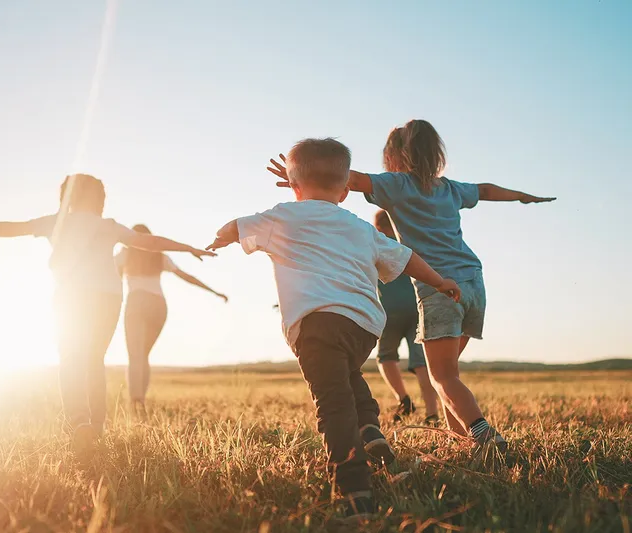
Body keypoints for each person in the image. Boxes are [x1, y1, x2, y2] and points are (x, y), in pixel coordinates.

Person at [268, 120, 554, 455]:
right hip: (474, 284)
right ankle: (461, 443)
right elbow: (487, 190)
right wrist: (521, 196)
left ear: (394, 156)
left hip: (440, 288)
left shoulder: (397, 184)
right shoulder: (449, 188)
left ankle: (484, 435)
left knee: (442, 377)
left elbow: (348, 179)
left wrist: (301, 176)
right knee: (448, 374)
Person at [210, 138, 461, 519]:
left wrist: (220, 238)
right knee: (346, 376)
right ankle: (370, 428)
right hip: (363, 327)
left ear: (294, 187)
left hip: (316, 324)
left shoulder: (282, 216)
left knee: (333, 404)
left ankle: (355, 491)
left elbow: (235, 227)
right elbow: (406, 258)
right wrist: (440, 281)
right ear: (344, 192)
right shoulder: (360, 227)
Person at [0, 173, 214, 457]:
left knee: (71, 358)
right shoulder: (108, 226)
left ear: (67, 197)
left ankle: (80, 422)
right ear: (100, 200)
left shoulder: (57, 222)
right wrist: (187, 248)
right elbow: (148, 242)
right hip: (109, 297)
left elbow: (10, 228)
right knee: (95, 360)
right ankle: (97, 428)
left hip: (72, 296)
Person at [116, 224, 228, 417]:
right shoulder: (160, 256)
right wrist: (214, 292)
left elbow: (110, 276)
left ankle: (136, 403)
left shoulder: (125, 254)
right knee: (143, 356)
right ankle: (140, 402)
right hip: (158, 305)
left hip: (137, 302)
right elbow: (187, 277)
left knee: (135, 356)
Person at [372, 209, 439, 426]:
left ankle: (404, 399)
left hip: (389, 311)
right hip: (418, 308)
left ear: (378, 226)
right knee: (422, 362)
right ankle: (432, 413)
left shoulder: (377, 245)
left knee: (386, 356)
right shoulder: (410, 243)